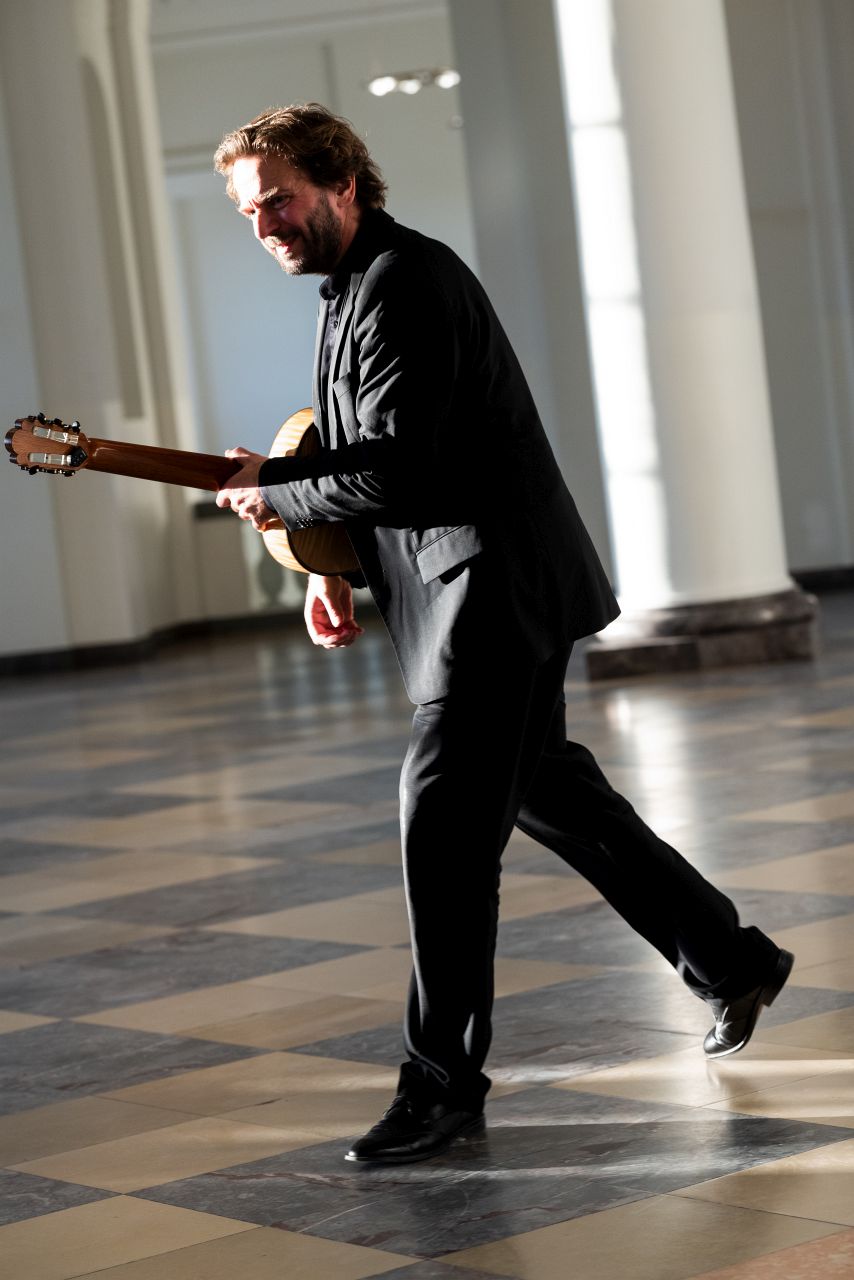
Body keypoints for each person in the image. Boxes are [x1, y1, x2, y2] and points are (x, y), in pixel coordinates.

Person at [213, 103, 793, 1165]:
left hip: (493, 594)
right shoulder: (351, 289)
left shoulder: (407, 283)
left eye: (279, 201)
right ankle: (729, 958)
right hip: (470, 588)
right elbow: (355, 448)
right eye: (250, 212)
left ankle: (440, 1085)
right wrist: (325, 566)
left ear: (343, 183)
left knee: (441, 832)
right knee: (551, 792)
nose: (266, 225)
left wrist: (279, 494)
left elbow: (402, 468)